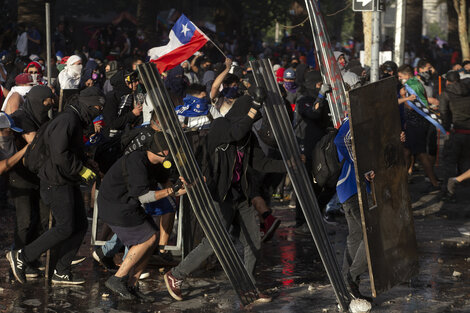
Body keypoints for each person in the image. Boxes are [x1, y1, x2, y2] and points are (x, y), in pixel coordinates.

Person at [164, 88, 284, 303]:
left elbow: (260, 162)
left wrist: (289, 166)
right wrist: (254, 106)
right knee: (214, 242)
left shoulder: (248, 136)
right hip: (220, 194)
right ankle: (176, 275)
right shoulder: (221, 125)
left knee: (253, 241)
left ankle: (249, 286)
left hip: (241, 194)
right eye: (252, 114)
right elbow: (236, 132)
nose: (254, 119)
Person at [6, 87, 104, 285]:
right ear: (87, 104)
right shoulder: (67, 120)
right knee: (65, 226)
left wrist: (85, 162)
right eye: (95, 107)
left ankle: (62, 271)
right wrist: (81, 170)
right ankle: (21, 256)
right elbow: (60, 155)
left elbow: (70, 149)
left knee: (80, 225)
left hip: (66, 179)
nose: (97, 112)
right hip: (55, 182)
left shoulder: (74, 120)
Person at [98, 131, 187, 301]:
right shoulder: (136, 161)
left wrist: (184, 184)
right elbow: (144, 196)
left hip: (127, 204)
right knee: (146, 239)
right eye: (170, 150)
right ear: (163, 151)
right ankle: (117, 279)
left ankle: (131, 284)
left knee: (152, 237)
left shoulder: (155, 163)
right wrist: (172, 191)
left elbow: (166, 181)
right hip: (114, 205)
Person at [397, 64, 440, 190]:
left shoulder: (411, 85)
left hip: (416, 124)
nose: (400, 79)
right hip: (415, 123)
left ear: (407, 75)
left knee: (421, 154)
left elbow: (412, 106)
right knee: (407, 151)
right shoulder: (416, 83)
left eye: (400, 76)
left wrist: (404, 97)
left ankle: (433, 181)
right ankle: (404, 179)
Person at [439, 70, 470, 199]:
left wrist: (446, 127)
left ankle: (448, 191)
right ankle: (465, 190)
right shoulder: (468, 90)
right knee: (466, 160)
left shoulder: (446, 94)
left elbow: (444, 112)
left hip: (456, 131)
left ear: (448, 81)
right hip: (469, 132)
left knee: (449, 162)